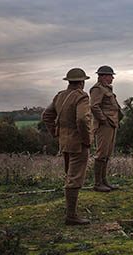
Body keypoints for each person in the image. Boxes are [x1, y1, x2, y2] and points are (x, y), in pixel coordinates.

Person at [42, 68, 91, 225]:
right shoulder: (82, 96)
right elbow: (83, 119)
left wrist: (56, 133)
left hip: (64, 142)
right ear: (82, 82)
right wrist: (86, 140)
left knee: (69, 174)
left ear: (69, 81)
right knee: (75, 177)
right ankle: (71, 216)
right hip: (78, 143)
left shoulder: (60, 96)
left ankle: (71, 211)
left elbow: (46, 115)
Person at [90, 65, 122, 192]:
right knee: (101, 154)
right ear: (103, 76)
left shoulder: (106, 89)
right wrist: (103, 120)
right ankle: (98, 183)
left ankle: (104, 181)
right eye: (110, 75)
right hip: (104, 125)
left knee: (107, 154)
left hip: (112, 124)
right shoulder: (97, 89)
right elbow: (94, 106)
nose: (112, 78)